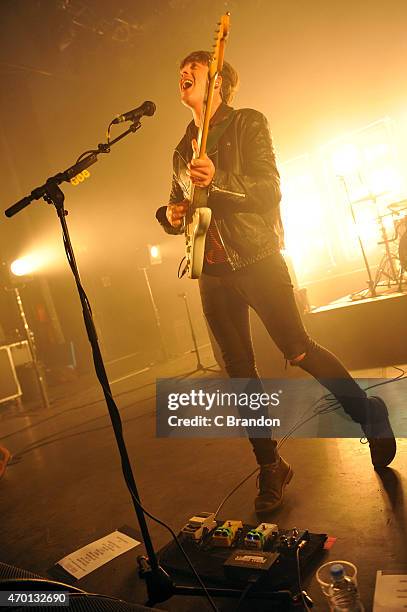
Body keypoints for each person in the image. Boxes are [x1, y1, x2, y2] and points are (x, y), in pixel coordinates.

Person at [156, 51, 396, 513]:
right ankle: (270, 466)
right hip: (212, 269)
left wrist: (219, 178)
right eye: (179, 69)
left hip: (258, 258)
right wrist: (169, 215)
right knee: (239, 372)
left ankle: (369, 415)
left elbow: (269, 188)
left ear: (220, 82)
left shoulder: (247, 122)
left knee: (299, 348)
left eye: (195, 69)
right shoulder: (181, 148)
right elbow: (176, 203)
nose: (183, 73)